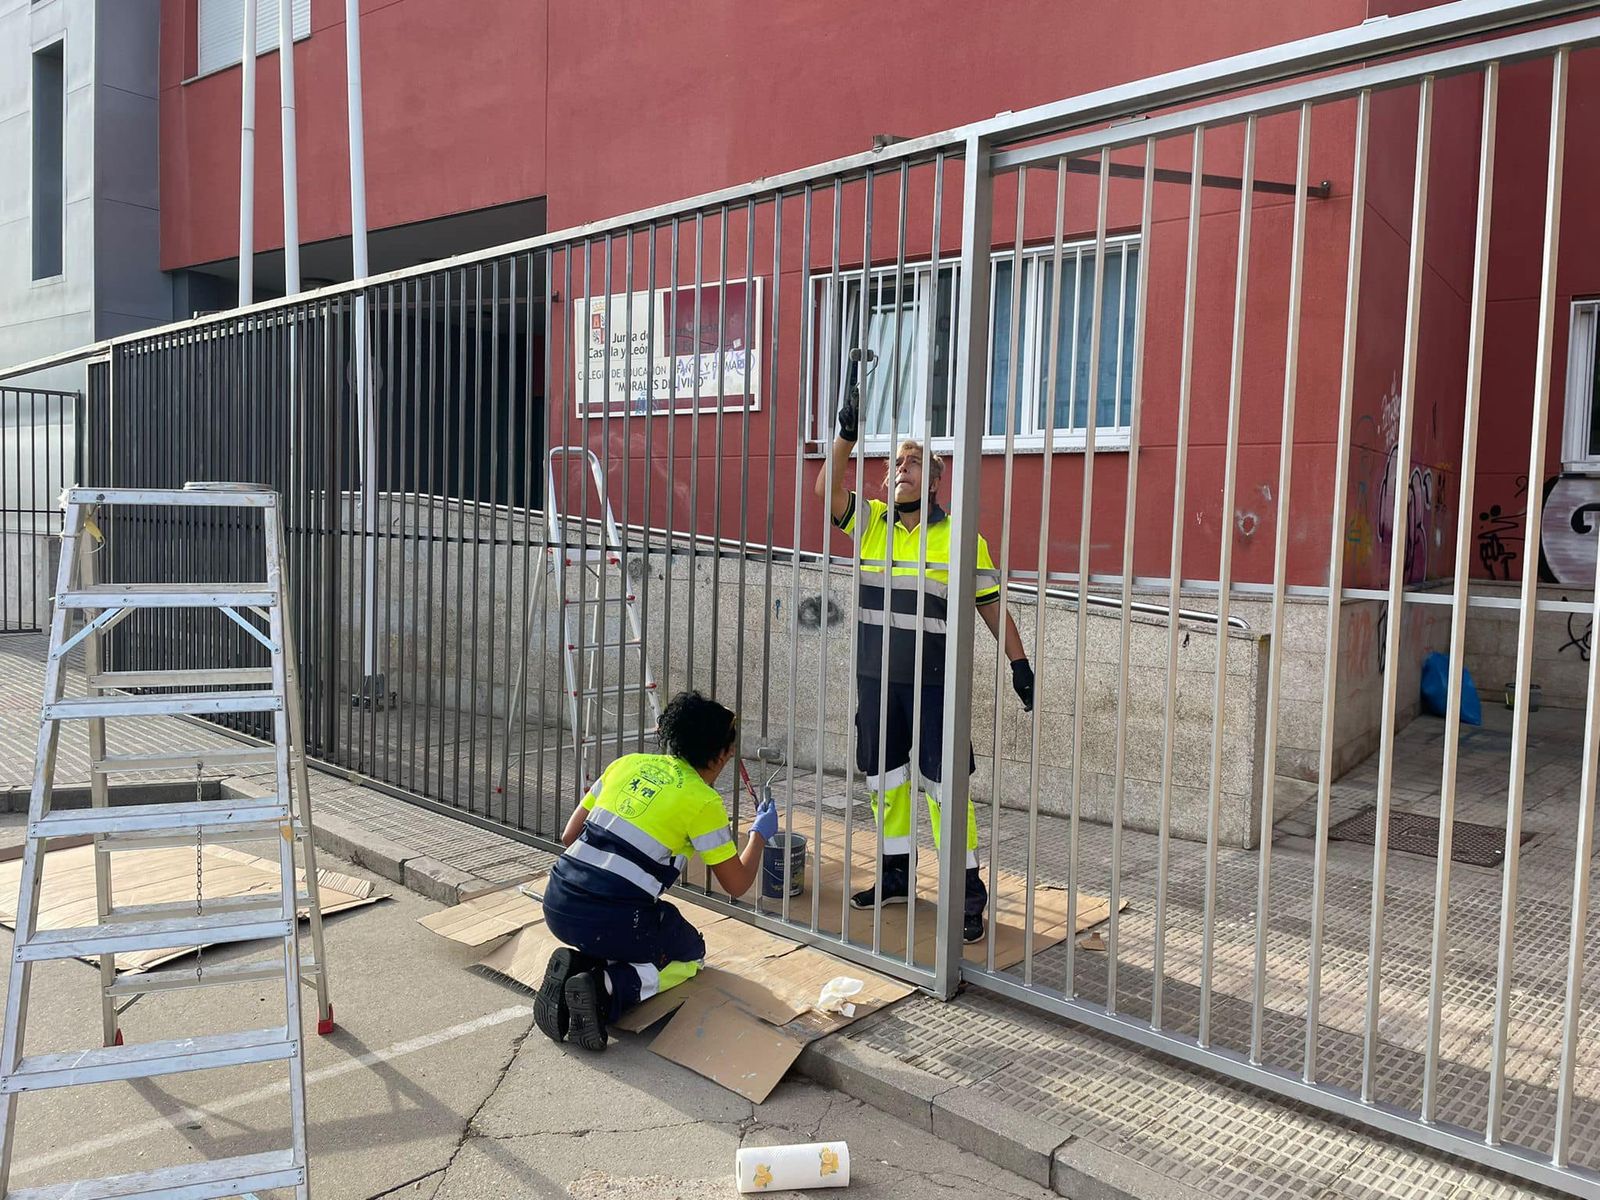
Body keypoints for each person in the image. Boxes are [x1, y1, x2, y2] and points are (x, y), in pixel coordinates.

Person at [814, 376, 1034, 944]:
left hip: (937, 683)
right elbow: (825, 486)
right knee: (884, 780)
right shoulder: (869, 522)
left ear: (937, 477)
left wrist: (1019, 662)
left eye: (917, 460)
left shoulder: (962, 538)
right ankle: (894, 878)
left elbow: (991, 607)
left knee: (944, 787)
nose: (904, 465)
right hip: (877, 677)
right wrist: (845, 434)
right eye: (898, 459)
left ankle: (967, 897)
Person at [534, 690, 778, 1051]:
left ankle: (577, 967)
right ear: (723, 755)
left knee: (640, 922)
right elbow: (737, 884)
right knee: (690, 953)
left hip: (556, 902)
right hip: (612, 920)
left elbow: (570, 835)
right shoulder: (703, 801)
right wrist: (759, 834)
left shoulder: (626, 764)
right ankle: (606, 987)